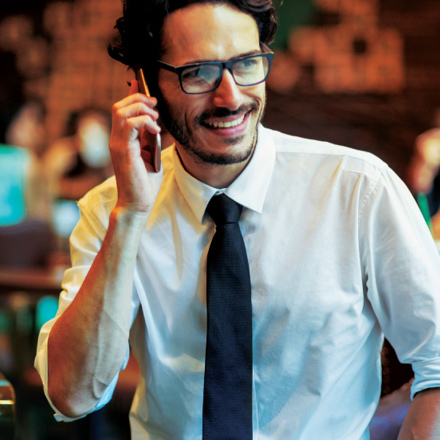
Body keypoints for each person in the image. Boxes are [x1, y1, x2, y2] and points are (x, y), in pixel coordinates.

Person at [35, 1, 440, 438]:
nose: (230, 97)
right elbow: (72, 395)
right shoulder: (113, 207)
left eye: (246, 64)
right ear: (145, 85)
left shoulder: (359, 188)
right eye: (199, 73)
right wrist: (130, 216)